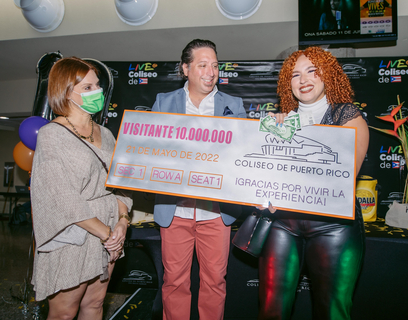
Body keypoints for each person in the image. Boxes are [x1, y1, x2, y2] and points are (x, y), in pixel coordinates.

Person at [257, 47, 369, 320]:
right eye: (295, 74)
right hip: (282, 222)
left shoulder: (347, 115)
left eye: (312, 70)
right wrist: (276, 132)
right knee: (271, 308)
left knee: (332, 311)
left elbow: (343, 176)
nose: (303, 79)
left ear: (327, 74)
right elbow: (262, 173)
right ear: (288, 83)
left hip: (334, 226)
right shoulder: (279, 121)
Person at [30, 57, 133, 320]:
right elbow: (61, 195)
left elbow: (120, 183)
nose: (96, 91)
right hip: (75, 232)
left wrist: (122, 222)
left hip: (110, 229)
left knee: (95, 304)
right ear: (65, 91)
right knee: (64, 312)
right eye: (87, 88)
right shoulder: (52, 135)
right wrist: (106, 233)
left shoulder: (107, 134)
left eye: (97, 85)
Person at [151, 39, 246, 320]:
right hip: (175, 210)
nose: (211, 71)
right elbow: (151, 151)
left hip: (215, 214)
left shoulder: (233, 104)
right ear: (186, 69)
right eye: (203, 65)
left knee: (214, 282)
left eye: (215, 65)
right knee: (174, 281)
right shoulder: (164, 102)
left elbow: (242, 153)